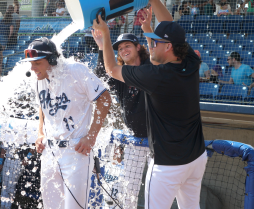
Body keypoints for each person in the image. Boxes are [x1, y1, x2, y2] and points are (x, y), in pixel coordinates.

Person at [92, 0, 207, 208]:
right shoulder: (190, 61)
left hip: (168, 163)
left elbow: (110, 68)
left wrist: (106, 36)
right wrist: (152, 14)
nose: (151, 44)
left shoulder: (156, 75)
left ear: (169, 46)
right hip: (197, 158)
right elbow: (170, 25)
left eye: (155, 42)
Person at [25, 37, 111, 209]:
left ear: (52, 60)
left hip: (76, 151)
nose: (32, 68)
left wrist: (92, 135)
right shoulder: (38, 79)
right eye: (31, 63)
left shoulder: (76, 71)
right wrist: (41, 133)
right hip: (50, 152)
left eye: (37, 63)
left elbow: (105, 99)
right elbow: (42, 106)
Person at [92, 31, 151, 208]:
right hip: (135, 139)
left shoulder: (150, 67)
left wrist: (148, 28)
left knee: (155, 190)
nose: (123, 50)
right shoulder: (120, 75)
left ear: (138, 47)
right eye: (119, 48)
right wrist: (102, 47)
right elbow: (101, 76)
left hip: (158, 139)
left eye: (127, 46)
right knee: (129, 191)